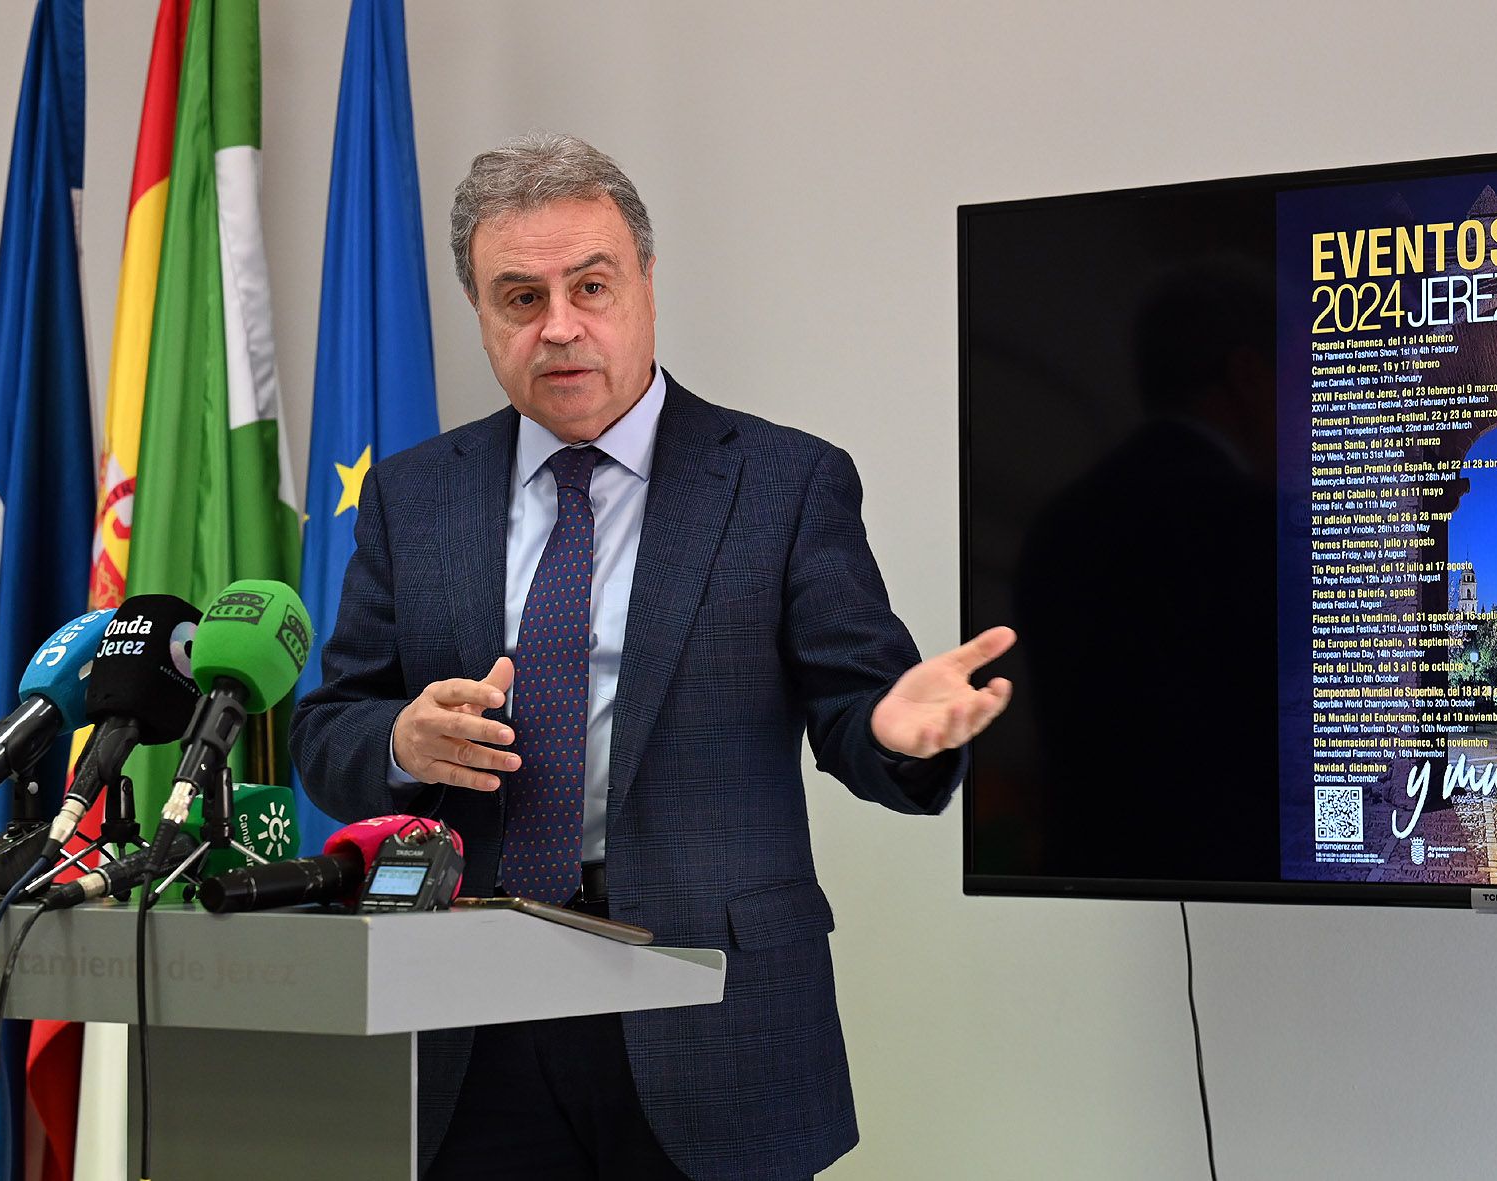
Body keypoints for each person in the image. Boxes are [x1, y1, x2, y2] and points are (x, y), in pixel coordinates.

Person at [290, 131, 1014, 1181]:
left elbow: (864, 713)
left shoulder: (781, 481)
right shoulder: (416, 494)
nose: (562, 326)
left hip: (708, 1001)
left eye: (591, 284)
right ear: (481, 315)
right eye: (521, 298)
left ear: (647, 284)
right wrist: (399, 737)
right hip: (469, 1014)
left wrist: (895, 731)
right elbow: (327, 729)